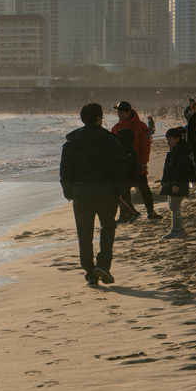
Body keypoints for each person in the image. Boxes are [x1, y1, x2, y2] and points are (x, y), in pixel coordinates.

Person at [60, 102, 126, 286]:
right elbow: (118, 168)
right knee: (108, 227)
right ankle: (103, 264)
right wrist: (120, 191)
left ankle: (90, 273)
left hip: (81, 191)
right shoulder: (110, 140)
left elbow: (65, 172)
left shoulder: (70, 144)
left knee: (84, 232)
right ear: (99, 118)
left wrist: (69, 193)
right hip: (105, 190)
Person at [111, 100, 160, 219]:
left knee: (144, 188)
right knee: (124, 190)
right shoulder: (116, 128)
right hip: (123, 166)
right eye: (118, 111)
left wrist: (143, 162)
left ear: (128, 112)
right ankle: (126, 213)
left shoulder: (141, 126)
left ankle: (150, 211)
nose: (119, 114)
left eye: (121, 112)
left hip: (138, 164)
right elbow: (113, 148)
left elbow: (146, 146)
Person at [158, 127, 193, 238]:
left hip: (178, 184)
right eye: (167, 140)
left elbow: (182, 170)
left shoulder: (181, 152)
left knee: (174, 206)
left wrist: (176, 184)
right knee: (172, 205)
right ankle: (179, 228)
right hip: (173, 183)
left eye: (170, 139)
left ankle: (177, 230)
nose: (168, 142)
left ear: (177, 139)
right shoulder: (175, 151)